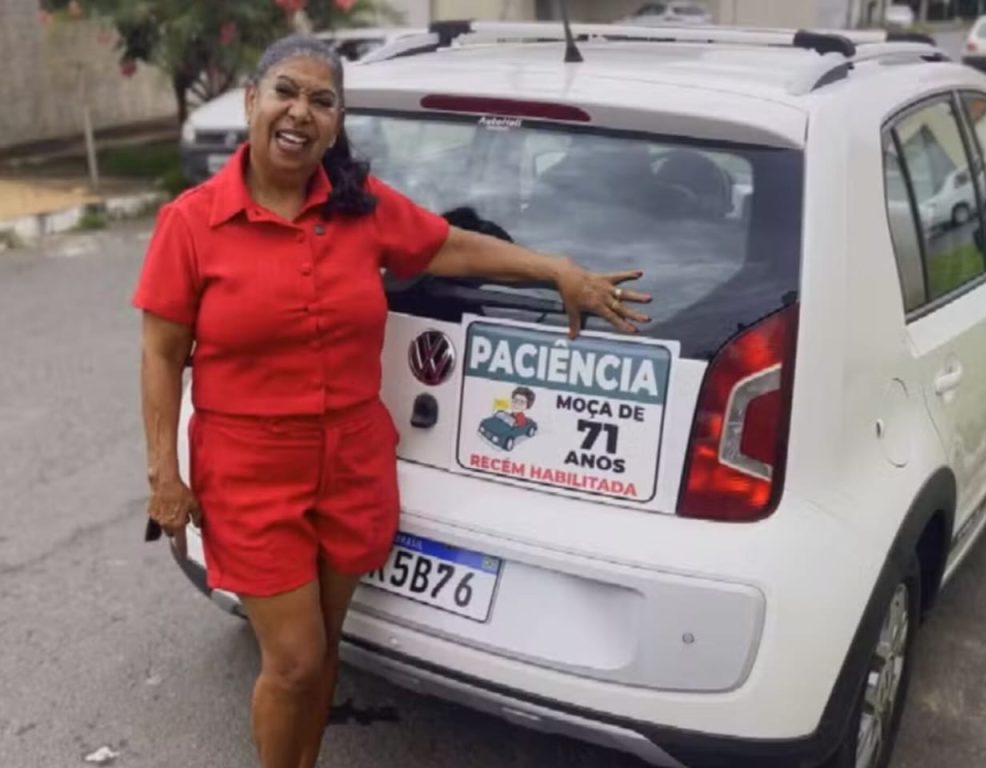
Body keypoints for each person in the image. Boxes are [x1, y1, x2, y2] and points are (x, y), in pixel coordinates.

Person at [133, 34, 651, 768]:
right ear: (252, 101)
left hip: (352, 460)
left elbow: (453, 247)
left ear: (338, 122)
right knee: (295, 663)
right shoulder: (191, 223)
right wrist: (164, 475)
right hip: (250, 470)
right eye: (286, 91)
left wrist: (556, 270)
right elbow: (159, 354)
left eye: (322, 100)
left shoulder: (361, 208)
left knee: (326, 647)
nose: (300, 112)